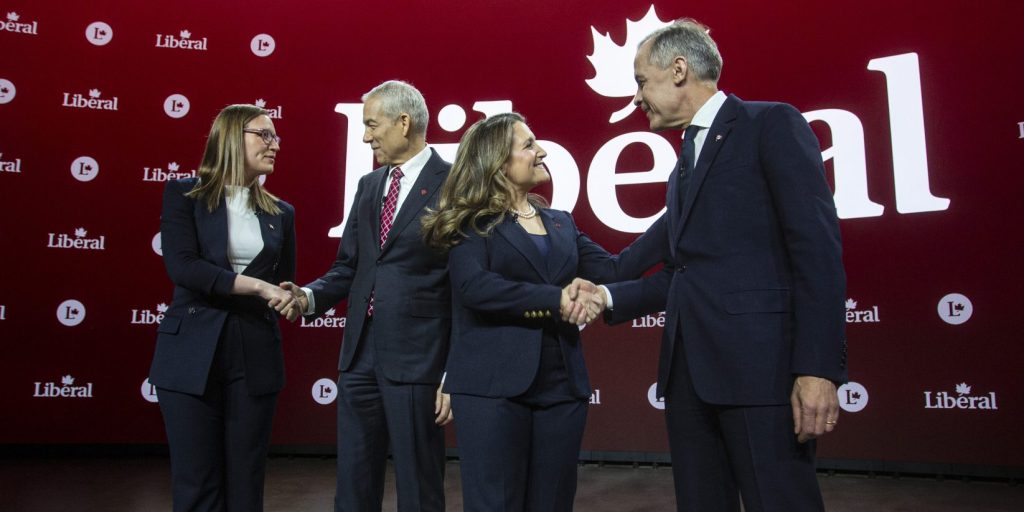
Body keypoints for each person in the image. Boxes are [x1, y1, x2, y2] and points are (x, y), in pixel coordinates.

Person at [594, 19, 848, 511]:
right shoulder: (685, 159)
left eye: (641, 81)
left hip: (763, 375)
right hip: (689, 377)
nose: (636, 97)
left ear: (679, 70)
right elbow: (670, 269)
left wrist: (818, 369)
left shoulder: (769, 124)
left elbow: (817, 254)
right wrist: (597, 289)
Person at [421, 112, 625, 512]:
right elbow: (474, 287)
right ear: (497, 162)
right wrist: (554, 299)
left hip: (562, 389)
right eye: (529, 144)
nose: (542, 151)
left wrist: (676, 220)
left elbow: (616, 269)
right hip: (492, 391)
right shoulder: (470, 224)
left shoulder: (561, 223)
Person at [281, 80, 453, 512]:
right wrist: (308, 296)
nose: (364, 136)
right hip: (358, 356)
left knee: (418, 483)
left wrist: (454, 369)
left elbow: (462, 281)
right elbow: (349, 267)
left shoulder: (455, 183)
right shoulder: (369, 184)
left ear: (403, 121)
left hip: (419, 357)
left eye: (371, 125)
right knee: (354, 482)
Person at [150, 104, 297, 512]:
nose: (275, 145)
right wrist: (257, 287)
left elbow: (283, 280)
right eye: (263, 135)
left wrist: (293, 297)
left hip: (253, 357)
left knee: (246, 482)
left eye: (276, 137)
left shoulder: (282, 213)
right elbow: (183, 267)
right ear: (232, 137)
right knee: (197, 481)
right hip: (191, 354)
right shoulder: (184, 195)